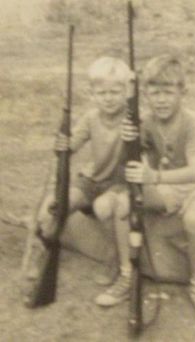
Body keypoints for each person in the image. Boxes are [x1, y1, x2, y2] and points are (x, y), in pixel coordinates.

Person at [122, 54, 195, 326]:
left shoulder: (193, 123)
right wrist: (127, 140)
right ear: (144, 94)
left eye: (168, 92)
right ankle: (124, 270)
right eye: (153, 93)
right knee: (128, 201)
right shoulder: (146, 123)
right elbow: (135, 157)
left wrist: (152, 175)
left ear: (183, 92)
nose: (161, 99)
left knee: (194, 219)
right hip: (168, 185)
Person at [22, 56, 134, 305]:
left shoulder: (133, 118)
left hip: (118, 182)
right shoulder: (91, 117)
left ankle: (114, 259)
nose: (108, 98)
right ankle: (41, 257)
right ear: (92, 93)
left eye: (115, 91)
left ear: (127, 91)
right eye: (102, 92)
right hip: (91, 180)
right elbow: (70, 146)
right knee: (55, 206)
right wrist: (63, 144)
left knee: (105, 209)